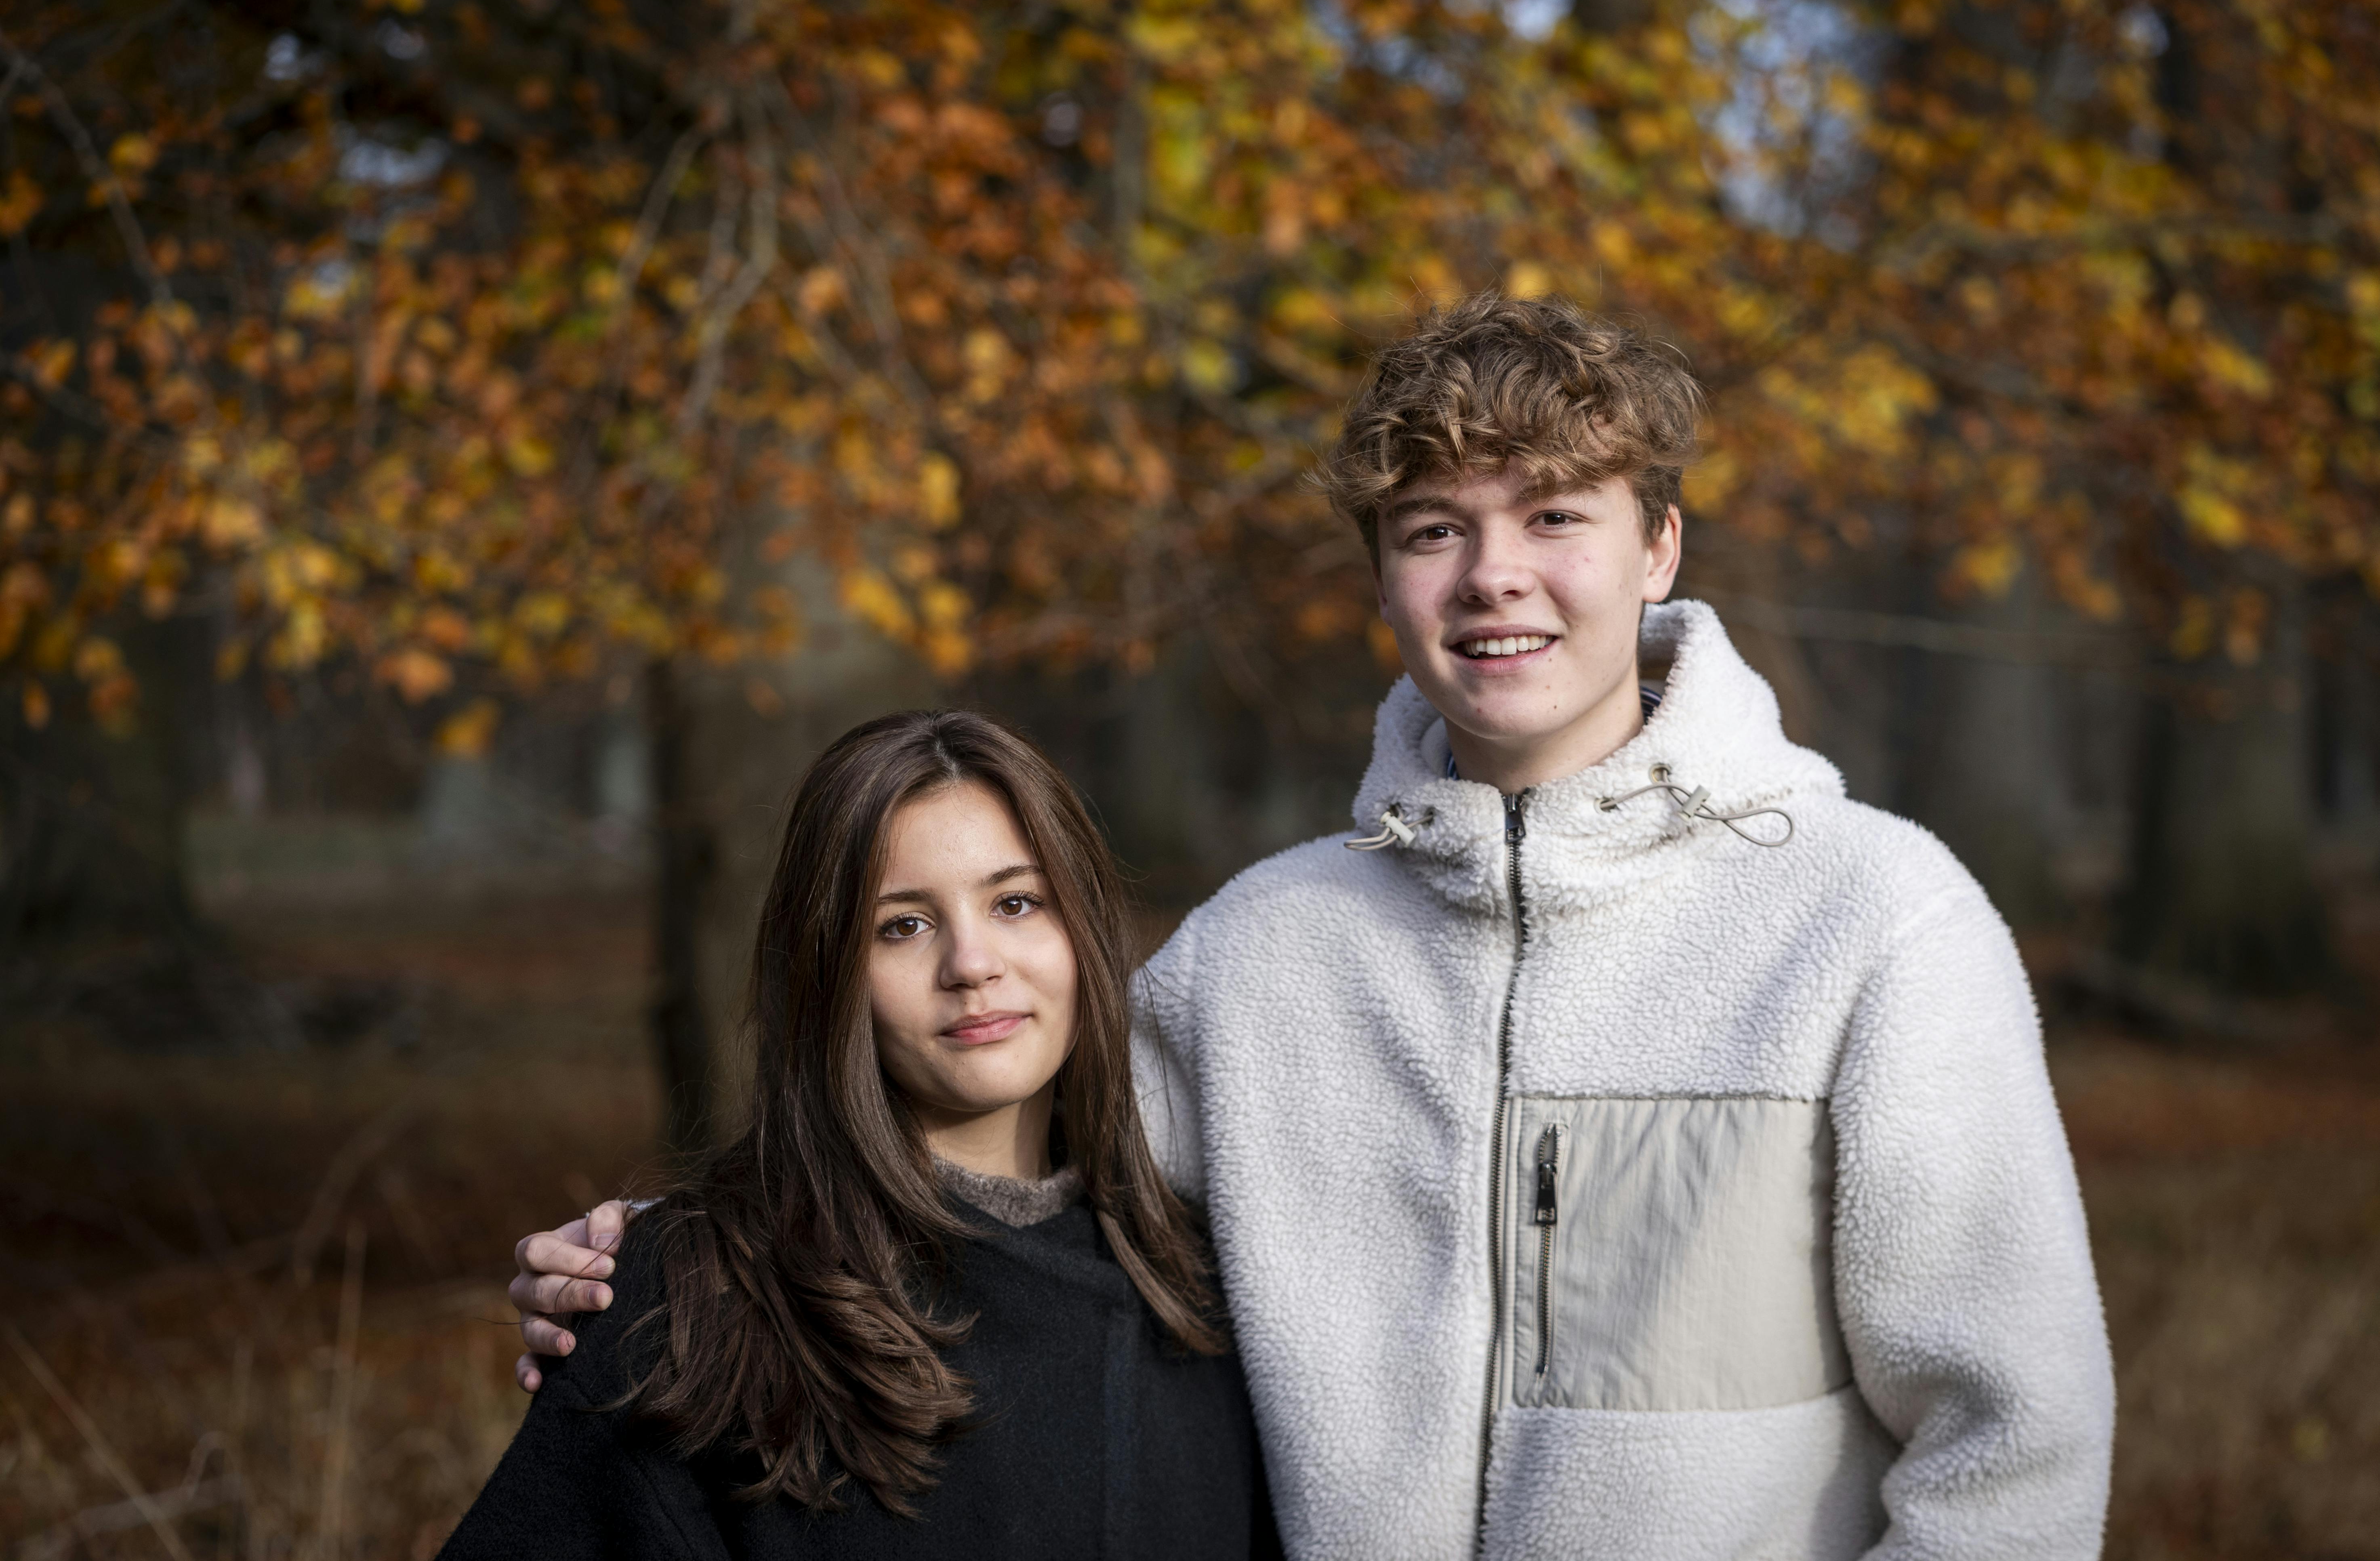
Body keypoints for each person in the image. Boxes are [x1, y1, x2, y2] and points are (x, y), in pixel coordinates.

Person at [508, 294, 2115, 1559]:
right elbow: (1002, 1214)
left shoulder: (1873, 923)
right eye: (1434, 529)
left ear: (1659, 544)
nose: (1495, 576)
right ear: (1385, 576)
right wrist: (672, 1280)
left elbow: (2016, 1451)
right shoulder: (1257, 956)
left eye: (1555, 515)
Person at [446, 711, 1278, 1559]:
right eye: (903, 925)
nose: (972, 963)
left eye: (1017, 902)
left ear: (1084, 929)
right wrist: (653, 1274)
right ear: (829, 971)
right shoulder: (700, 1298)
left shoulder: (1212, 1283)